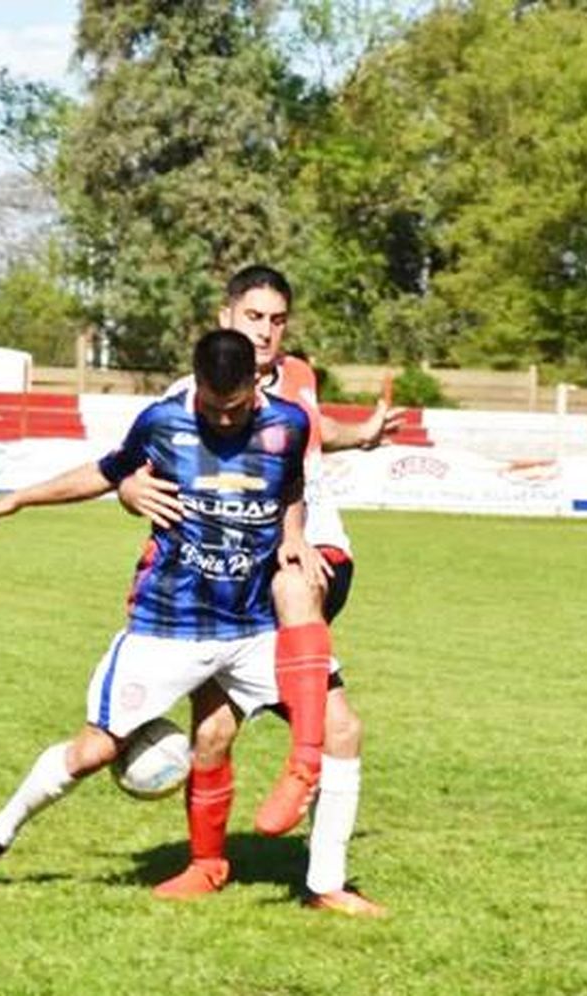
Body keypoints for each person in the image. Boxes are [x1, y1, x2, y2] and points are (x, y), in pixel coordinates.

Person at [0, 329, 322, 892]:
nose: (224, 420)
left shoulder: (288, 425)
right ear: (196, 385)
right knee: (95, 749)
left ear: (255, 385)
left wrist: (295, 535)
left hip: (252, 627)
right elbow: (106, 471)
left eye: (236, 406)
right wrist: (19, 499)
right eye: (214, 407)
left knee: (333, 728)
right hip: (169, 623)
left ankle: (327, 880)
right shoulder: (163, 422)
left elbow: (290, 484)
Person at [118, 265, 398, 914]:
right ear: (227, 319)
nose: (267, 331)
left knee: (295, 583)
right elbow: (136, 466)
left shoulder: (297, 376)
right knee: (217, 731)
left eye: (277, 319)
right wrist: (131, 489)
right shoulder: (189, 392)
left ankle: (310, 803)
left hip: (311, 551)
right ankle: (208, 864)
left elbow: (312, 431)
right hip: (227, 574)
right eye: (254, 318)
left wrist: (363, 435)